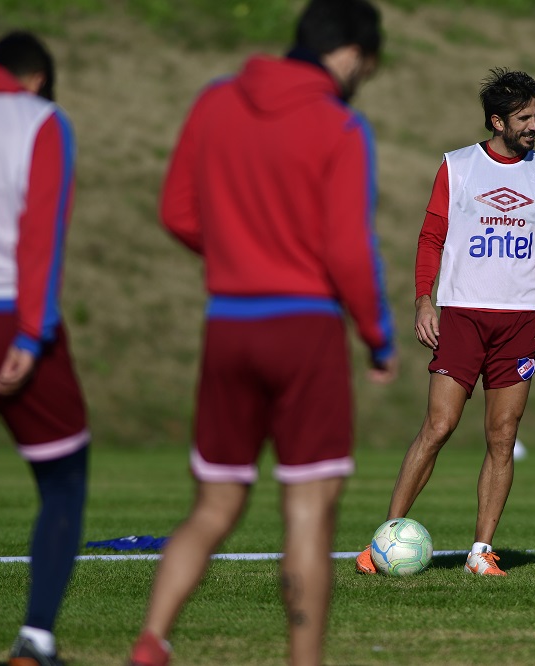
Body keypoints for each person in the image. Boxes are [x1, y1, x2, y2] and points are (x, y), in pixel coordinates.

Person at [127, 2, 396, 665]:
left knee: (214, 505)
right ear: (353, 54)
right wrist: (378, 336)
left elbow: (176, 211)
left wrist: (235, 254)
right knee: (308, 512)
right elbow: (347, 250)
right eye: (369, 66)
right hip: (305, 331)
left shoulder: (214, 101)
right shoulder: (340, 125)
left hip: (228, 324)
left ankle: (151, 641)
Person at [355, 67, 535, 577]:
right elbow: (431, 237)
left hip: (520, 322)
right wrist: (423, 300)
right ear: (497, 121)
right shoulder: (458, 166)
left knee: (503, 434)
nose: (534, 125)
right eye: (524, 117)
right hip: (462, 315)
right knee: (438, 426)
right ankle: (384, 541)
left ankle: (480, 552)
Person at [0, 31, 89, 666]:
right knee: (64, 478)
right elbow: (41, 230)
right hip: (6, 317)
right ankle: (35, 641)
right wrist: (32, 331)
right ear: (37, 78)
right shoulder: (40, 120)